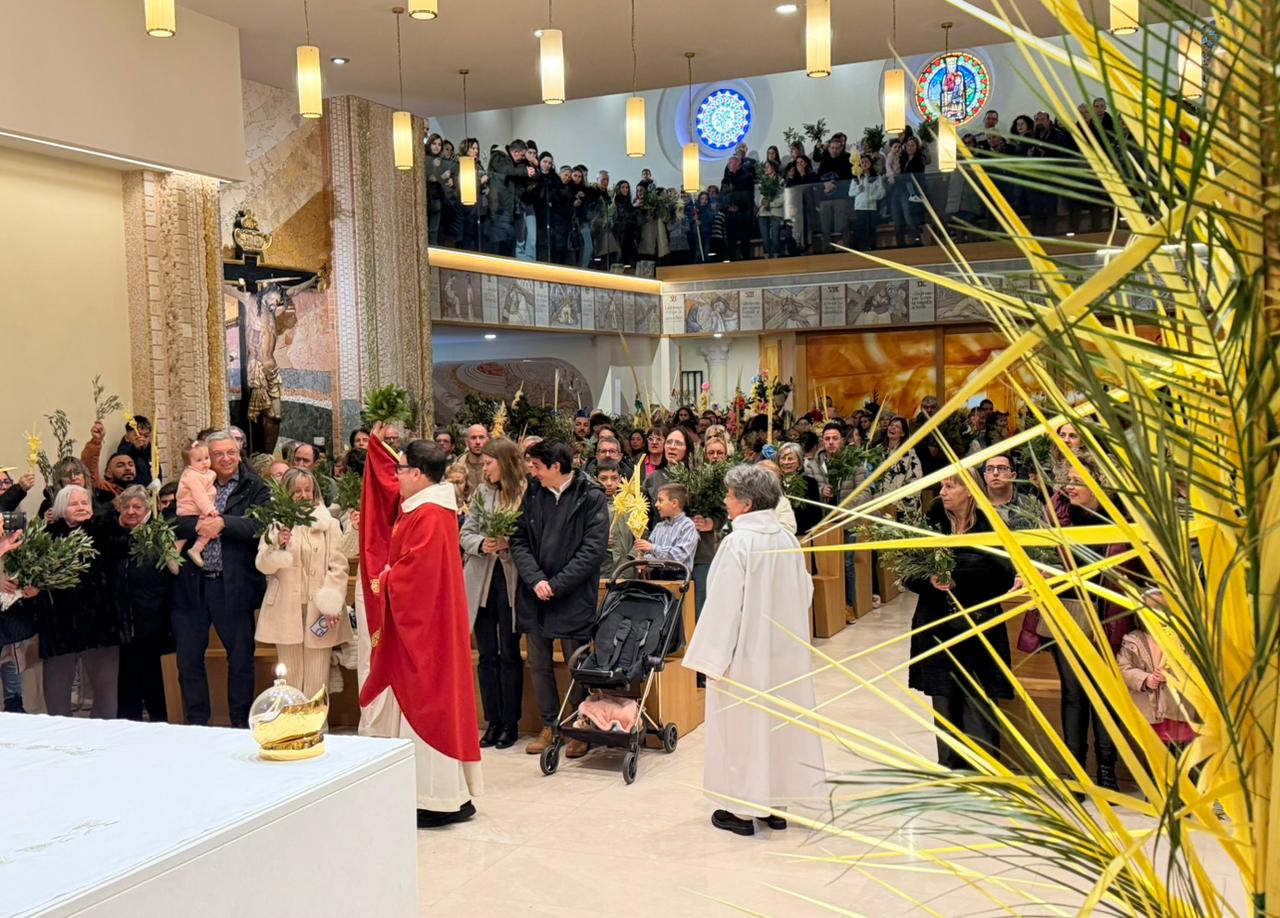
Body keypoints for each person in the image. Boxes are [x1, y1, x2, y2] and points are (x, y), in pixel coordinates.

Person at [682, 464, 823, 836]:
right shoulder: (787, 539)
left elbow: (724, 605)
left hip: (746, 655)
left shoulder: (738, 543)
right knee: (778, 725)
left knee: (744, 729)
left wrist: (711, 659)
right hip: (784, 654)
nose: (725, 501)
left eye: (729, 495)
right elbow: (804, 593)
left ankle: (743, 812)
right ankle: (775, 806)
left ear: (745, 503)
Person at [360, 433, 483, 827]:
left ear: (416, 473)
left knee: (426, 704)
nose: (397, 477)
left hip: (425, 631)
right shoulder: (426, 508)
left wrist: (387, 576)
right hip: (428, 625)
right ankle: (435, 794)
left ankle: (436, 798)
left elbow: (419, 575)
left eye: (400, 470)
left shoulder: (429, 514)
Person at [906, 473, 1015, 768]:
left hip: (980, 627)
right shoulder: (930, 525)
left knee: (979, 701)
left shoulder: (991, 526)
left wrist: (957, 574)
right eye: (941, 486)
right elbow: (907, 573)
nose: (942, 492)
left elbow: (1005, 575)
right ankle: (951, 770)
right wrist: (930, 579)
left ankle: (983, 772)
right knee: (944, 700)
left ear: (971, 491)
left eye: (950, 486)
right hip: (936, 625)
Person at [509, 440, 608, 758]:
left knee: (577, 662)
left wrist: (556, 584)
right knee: (538, 663)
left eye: (537, 466)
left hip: (573, 594)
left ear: (556, 466)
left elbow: (592, 551)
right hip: (535, 593)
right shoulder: (534, 492)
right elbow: (518, 537)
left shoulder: (590, 495)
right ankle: (551, 725)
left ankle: (580, 725)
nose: (532, 472)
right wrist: (536, 579)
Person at [170, 430, 271, 727]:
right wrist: (201, 525)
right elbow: (172, 521)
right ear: (208, 458)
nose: (225, 459)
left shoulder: (255, 486)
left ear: (239, 453)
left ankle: (240, 724)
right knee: (188, 661)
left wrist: (224, 524)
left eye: (231, 452)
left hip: (233, 585)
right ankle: (198, 724)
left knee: (240, 661)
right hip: (192, 586)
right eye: (218, 454)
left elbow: (260, 524)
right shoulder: (191, 482)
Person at [254, 469, 351, 697]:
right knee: (291, 676)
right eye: (297, 491)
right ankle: (293, 725)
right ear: (287, 493)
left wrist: (332, 604)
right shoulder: (277, 524)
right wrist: (276, 545)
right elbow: (263, 565)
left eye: (308, 490)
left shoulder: (330, 524)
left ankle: (317, 727)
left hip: (319, 610)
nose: (304, 495)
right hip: (286, 609)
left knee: (318, 678)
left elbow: (338, 567)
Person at [31, 485, 125, 718]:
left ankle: (101, 744)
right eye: (74, 504)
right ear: (61, 508)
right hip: (59, 626)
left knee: (106, 695)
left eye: (85, 503)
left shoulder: (106, 531)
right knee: (56, 695)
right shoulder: (46, 537)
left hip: (101, 625)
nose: (81, 507)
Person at [460, 439, 527, 751]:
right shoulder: (482, 492)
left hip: (511, 579)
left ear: (505, 462)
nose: (484, 468)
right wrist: (482, 543)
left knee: (510, 654)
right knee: (487, 654)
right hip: (482, 579)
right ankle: (492, 721)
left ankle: (510, 722)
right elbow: (465, 533)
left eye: (489, 463)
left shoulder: (526, 492)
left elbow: (531, 536)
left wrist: (509, 543)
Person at [109, 486, 175, 722]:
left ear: (148, 508)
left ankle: (160, 722)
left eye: (137, 507)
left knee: (154, 677)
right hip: (123, 620)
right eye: (126, 506)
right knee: (126, 679)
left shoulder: (158, 535)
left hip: (153, 619)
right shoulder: (112, 535)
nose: (131, 511)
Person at [633, 483, 698, 573]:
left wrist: (652, 548)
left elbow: (678, 556)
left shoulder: (688, 526)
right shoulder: (659, 527)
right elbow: (651, 555)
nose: (656, 505)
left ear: (674, 503)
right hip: (657, 577)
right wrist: (644, 562)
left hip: (678, 579)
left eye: (660, 500)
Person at [174, 439, 218, 569]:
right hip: (191, 509)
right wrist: (209, 509)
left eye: (206, 458)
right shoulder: (192, 475)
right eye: (199, 460)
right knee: (211, 525)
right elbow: (200, 495)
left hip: (195, 509)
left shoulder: (205, 473)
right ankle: (196, 549)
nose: (205, 462)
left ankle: (174, 552)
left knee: (183, 536)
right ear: (189, 464)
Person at [594, 460, 634, 576]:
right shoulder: (589, 505)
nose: (609, 483)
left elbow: (642, 535)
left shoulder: (631, 504)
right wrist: (599, 541)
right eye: (603, 479)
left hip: (626, 566)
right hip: (600, 567)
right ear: (595, 479)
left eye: (614, 478)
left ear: (620, 478)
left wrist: (634, 556)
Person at [451, 424, 489, 505]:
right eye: (473, 438)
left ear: (487, 441)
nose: (478, 442)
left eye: (481, 437)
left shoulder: (496, 467)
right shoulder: (457, 467)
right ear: (466, 442)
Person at [115, 416, 158, 486]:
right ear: (127, 436)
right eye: (137, 435)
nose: (142, 439)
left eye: (146, 436)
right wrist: (134, 448)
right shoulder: (123, 452)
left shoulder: (150, 450)